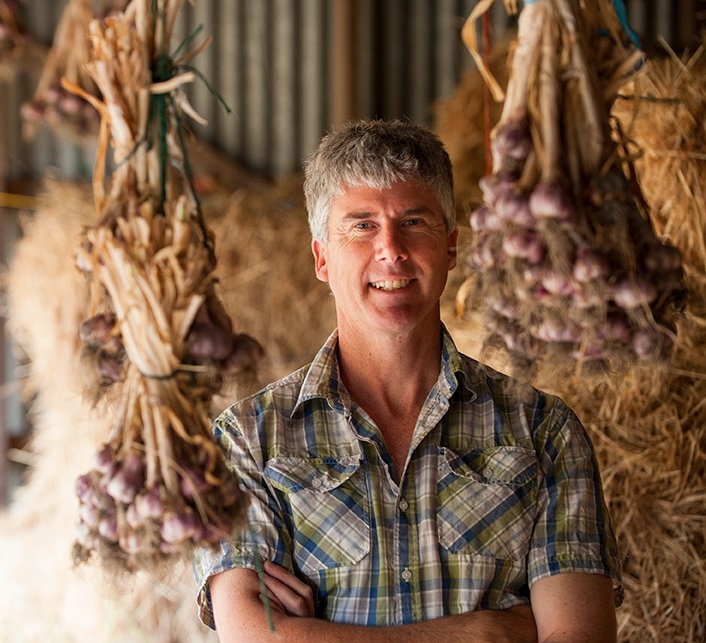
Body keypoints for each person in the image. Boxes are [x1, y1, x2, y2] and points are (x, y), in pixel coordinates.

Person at [192, 119, 622, 642]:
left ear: (452, 248)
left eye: (414, 222)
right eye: (362, 225)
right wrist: (484, 632)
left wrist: (311, 634)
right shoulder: (248, 440)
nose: (391, 249)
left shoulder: (544, 431)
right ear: (322, 257)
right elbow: (257, 640)